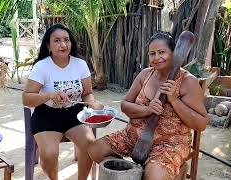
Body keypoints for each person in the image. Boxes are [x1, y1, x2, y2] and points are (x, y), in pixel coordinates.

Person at [88, 31, 209, 180]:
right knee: (95, 149)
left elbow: (201, 123)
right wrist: (147, 109)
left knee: (154, 176)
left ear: (174, 53)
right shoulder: (145, 74)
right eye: (152, 54)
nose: (157, 58)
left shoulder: (188, 81)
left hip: (170, 144)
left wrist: (174, 100)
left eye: (162, 52)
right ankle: (137, 172)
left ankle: (169, 169)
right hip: (133, 137)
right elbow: (125, 105)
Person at [22, 23, 102, 180]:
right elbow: (27, 98)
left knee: (90, 145)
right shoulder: (42, 67)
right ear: (49, 45)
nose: (63, 44)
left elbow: (87, 93)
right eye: (57, 40)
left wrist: (92, 103)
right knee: (50, 154)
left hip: (74, 115)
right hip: (46, 115)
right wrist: (49, 96)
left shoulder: (80, 65)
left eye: (66, 40)